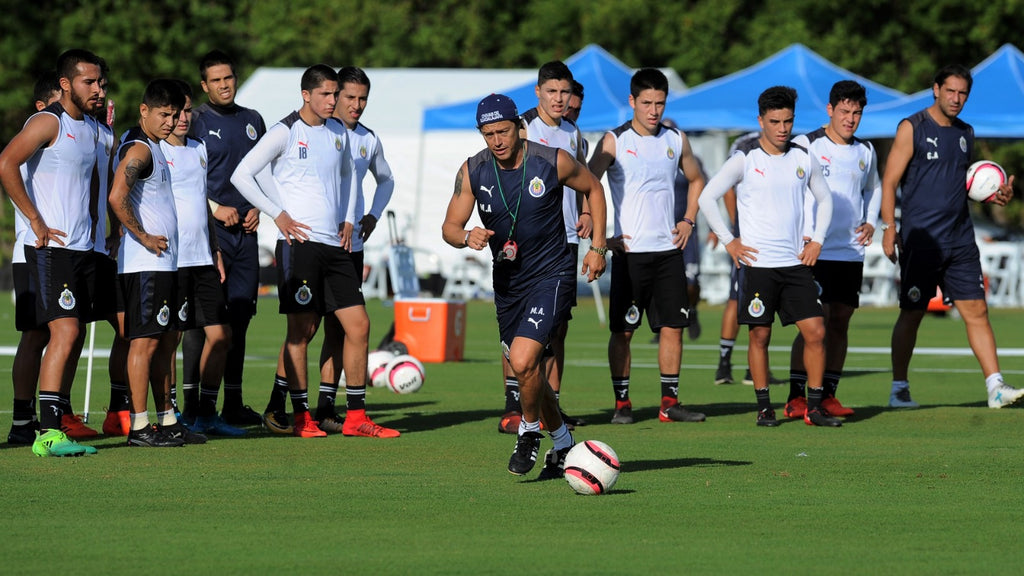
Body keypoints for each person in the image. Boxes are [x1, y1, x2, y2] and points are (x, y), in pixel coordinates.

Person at [442, 93, 607, 478]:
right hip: (508, 282)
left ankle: (529, 430)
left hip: (552, 274)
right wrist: (466, 237)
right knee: (528, 368)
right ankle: (563, 442)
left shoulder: (551, 160)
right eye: (488, 134)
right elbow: (449, 227)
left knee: (521, 360)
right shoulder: (473, 170)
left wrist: (598, 247)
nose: (497, 141)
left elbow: (594, 188)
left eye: (503, 131)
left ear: (519, 127)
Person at [232, 64, 399, 439]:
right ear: (306, 95)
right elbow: (242, 173)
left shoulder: (339, 132)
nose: (334, 100)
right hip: (301, 245)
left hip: (337, 246)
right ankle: (300, 416)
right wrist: (277, 213)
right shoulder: (286, 130)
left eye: (336, 93)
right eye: (327, 94)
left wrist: (349, 218)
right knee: (302, 331)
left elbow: (350, 177)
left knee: (358, 325)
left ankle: (355, 417)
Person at [880, 65, 1023, 409]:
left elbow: (962, 184)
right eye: (950, 91)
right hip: (922, 240)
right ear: (936, 89)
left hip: (960, 239)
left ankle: (995, 387)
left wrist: (994, 195)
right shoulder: (912, 127)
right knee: (912, 312)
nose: (956, 98)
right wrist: (889, 228)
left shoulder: (966, 132)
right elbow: (889, 181)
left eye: (962, 93)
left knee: (977, 310)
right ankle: (899, 388)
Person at [699, 86, 840, 427]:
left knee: (816, 331)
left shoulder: (803, 157)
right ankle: (764, 408)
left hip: (795, 264)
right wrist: (730, 241)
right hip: (758, 266)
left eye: (788, 121)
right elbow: (706, 197)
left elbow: (825, 199)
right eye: (775, 121)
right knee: (760, 336)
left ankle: (814, 407)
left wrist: (817, 240)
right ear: (761, 120)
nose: (782, 128)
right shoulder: (744, 159)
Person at [0, 49, 106, 456]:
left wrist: (95, 225)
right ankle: (46, 431)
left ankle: (46, 424)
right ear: (65, 84)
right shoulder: (49, 121)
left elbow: (91, 181)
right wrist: (36, 220)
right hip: (49, 249)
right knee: (62, 331)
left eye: (100, 82)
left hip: (81, 249)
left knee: (69, 332)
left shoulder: (92, 128)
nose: (98, 89)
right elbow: (7, 163)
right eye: (89, 82)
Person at [587, 68, 706, 425]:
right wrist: (598, 237)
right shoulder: (614, 140)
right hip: (629, 253)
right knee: (623, 332)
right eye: (647, 103)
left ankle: (669, 403)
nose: (654, 111)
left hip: (668, 252)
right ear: (632, 101)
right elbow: (587, 183)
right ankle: (622, 403)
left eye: (660, 103)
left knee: (673, 327)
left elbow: (697, 179)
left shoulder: (676, 139)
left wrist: (688, 220)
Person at [110, 78, 206, 447]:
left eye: (175, 114)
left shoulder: (156, 146)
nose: (171, 121)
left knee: (166, 342)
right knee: (145, 343)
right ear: (144, 111)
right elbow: (117, 197)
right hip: (145, 265)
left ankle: (167, 420)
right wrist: (144, 236)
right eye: (163, 114)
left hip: (165, 264)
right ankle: (138, 426)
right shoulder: (139, 148)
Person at [496, 61, 590, 434]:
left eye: (564, 92)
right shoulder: (521, 127)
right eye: (552, 91)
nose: (559, 99)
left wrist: (587, 213)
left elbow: (584, 180)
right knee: (518, 329)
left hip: (564, 240)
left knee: (557, 329)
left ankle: (553, 406)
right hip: (525, 241)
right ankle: (513, 406)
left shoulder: (573, 132)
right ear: (538, 92)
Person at [784, 81, 881, 420]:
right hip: (815, 250)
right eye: (844, 111)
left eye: (856, 113)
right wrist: (798, 233)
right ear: (830, 110)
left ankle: (828, 395)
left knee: (840, 322)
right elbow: (788, 187)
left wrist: (871, 221)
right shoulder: (806, 144)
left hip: (850, 252)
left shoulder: (866, 150)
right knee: (815, 324)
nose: (850, 119)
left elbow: (874, 187)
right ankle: (797, 396)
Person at [186, 50, 266, 427]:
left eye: (228, 78)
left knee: (240, 319)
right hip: (209, 234)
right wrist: (215, 208)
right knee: (203, 322)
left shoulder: (253, 120)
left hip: (245, 236)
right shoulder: (195, 121)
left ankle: (232, 403)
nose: (224, 85)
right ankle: (193, 406)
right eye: (216, 80)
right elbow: (184, 177)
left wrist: (259, 206)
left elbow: (264, 173)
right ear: (205, 85)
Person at [160, 81, 244, 436]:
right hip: (172, 260)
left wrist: (216, 250)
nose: (182, 118)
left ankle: (207, 413)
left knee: (221, 335)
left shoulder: (198, 148)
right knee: (171, 340)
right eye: (175, 112)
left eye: (186, 111)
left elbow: (201, 203)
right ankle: (170, 414)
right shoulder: (154, 149)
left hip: (203, 259)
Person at [5, 72, 62, 446]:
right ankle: (23, 420)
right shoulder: (37, 130)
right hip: (33, 248)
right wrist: (35, 221)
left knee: (61, 330)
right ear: (42, 107)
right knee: (37, 333)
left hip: (61, 250)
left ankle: (54, 414)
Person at [712, 131, 787, 388]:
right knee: (737, 299)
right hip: (748, 241)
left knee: (763, 302)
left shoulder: (787, 143)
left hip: (774, 242)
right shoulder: (744, 144)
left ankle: (752, 367)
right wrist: (739, 228)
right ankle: (725, 364)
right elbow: (726, 189)